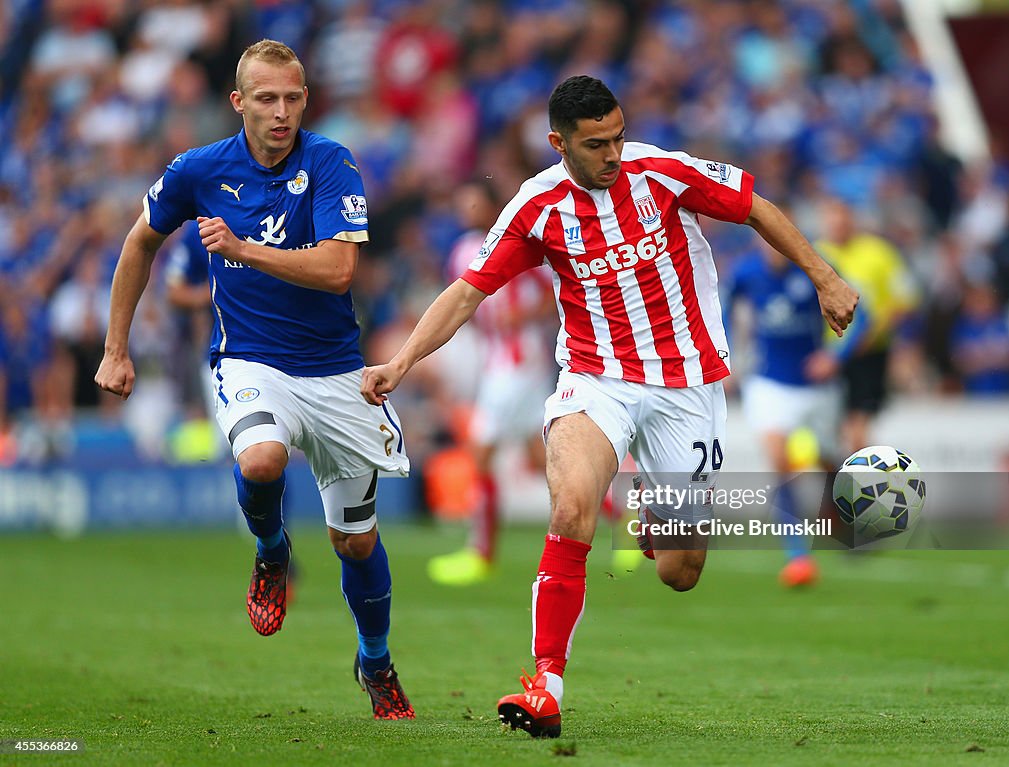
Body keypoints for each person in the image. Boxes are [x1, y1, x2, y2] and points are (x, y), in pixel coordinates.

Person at [361, 75, 858, 737]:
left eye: (618, 136)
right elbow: (465, 293)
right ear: (558, 142)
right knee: (572, 505)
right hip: (597, 378)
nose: (613, 153)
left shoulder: (663, 172)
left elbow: (757, 206)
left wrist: (824, 276)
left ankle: (655, 513)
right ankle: (545, 682)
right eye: (596, 144)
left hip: (687, 384)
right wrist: (399, 362)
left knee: (681, 571)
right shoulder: (536, 207)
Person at [95, 39, 414, 720]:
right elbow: (139, 241)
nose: (281, 112)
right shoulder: (199, 169)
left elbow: (337, 270)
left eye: (292, 98)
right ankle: (272, 550)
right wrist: (115, 346)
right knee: (262, 459)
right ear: (238, 101)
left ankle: (376, 660)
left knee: (355, 541)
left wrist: (243, 250)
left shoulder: (331, 161)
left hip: (335, 372)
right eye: (266, 98)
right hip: (251, 361)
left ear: (306, 99)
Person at [426, 179, 556, 586]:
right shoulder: (463, 249)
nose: (467, 210)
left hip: (519, 361)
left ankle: (480, 553)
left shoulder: (519, 243)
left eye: (474, 203)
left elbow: (553, 291)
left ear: (491, 207)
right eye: (462, 203)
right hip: (499, 361)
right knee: (541, 459)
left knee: (481, 453)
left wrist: (524, 316)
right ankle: (625, 516)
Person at [725, 228, 868, 587]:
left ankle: (843, 517)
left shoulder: (816, 266)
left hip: (817, 386)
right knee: (779, 463)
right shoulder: (746, 272)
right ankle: (798, 556)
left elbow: (862, 314)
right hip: (769, 383)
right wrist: (725, 355)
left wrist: (835, 356)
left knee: (826, 460)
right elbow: (722, 311)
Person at [815, 196, 917, 454]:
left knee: (857, 430)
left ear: (853, 219)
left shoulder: (879, 252)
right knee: (828, 433)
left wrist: (873, 334)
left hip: (868, 353)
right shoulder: (817, 253)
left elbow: (905, 300)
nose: (837, 224)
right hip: (827, 357)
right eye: (831, 219)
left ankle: (858, 487)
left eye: (842, 217)